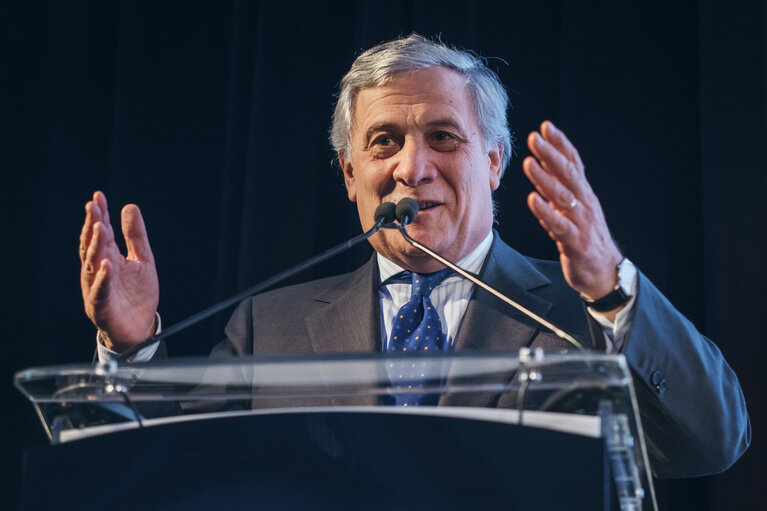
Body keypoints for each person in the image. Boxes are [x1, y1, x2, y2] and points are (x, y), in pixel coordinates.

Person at [79, 34, 749, 478]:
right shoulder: (268, 327)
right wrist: (130, 349)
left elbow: (713, 440)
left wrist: (608, 288)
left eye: (441, 136)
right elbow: (170, 474)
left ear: (492, 161)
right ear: (348, 174)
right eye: (383, 142)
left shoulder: (588, 315)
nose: (411, 167)